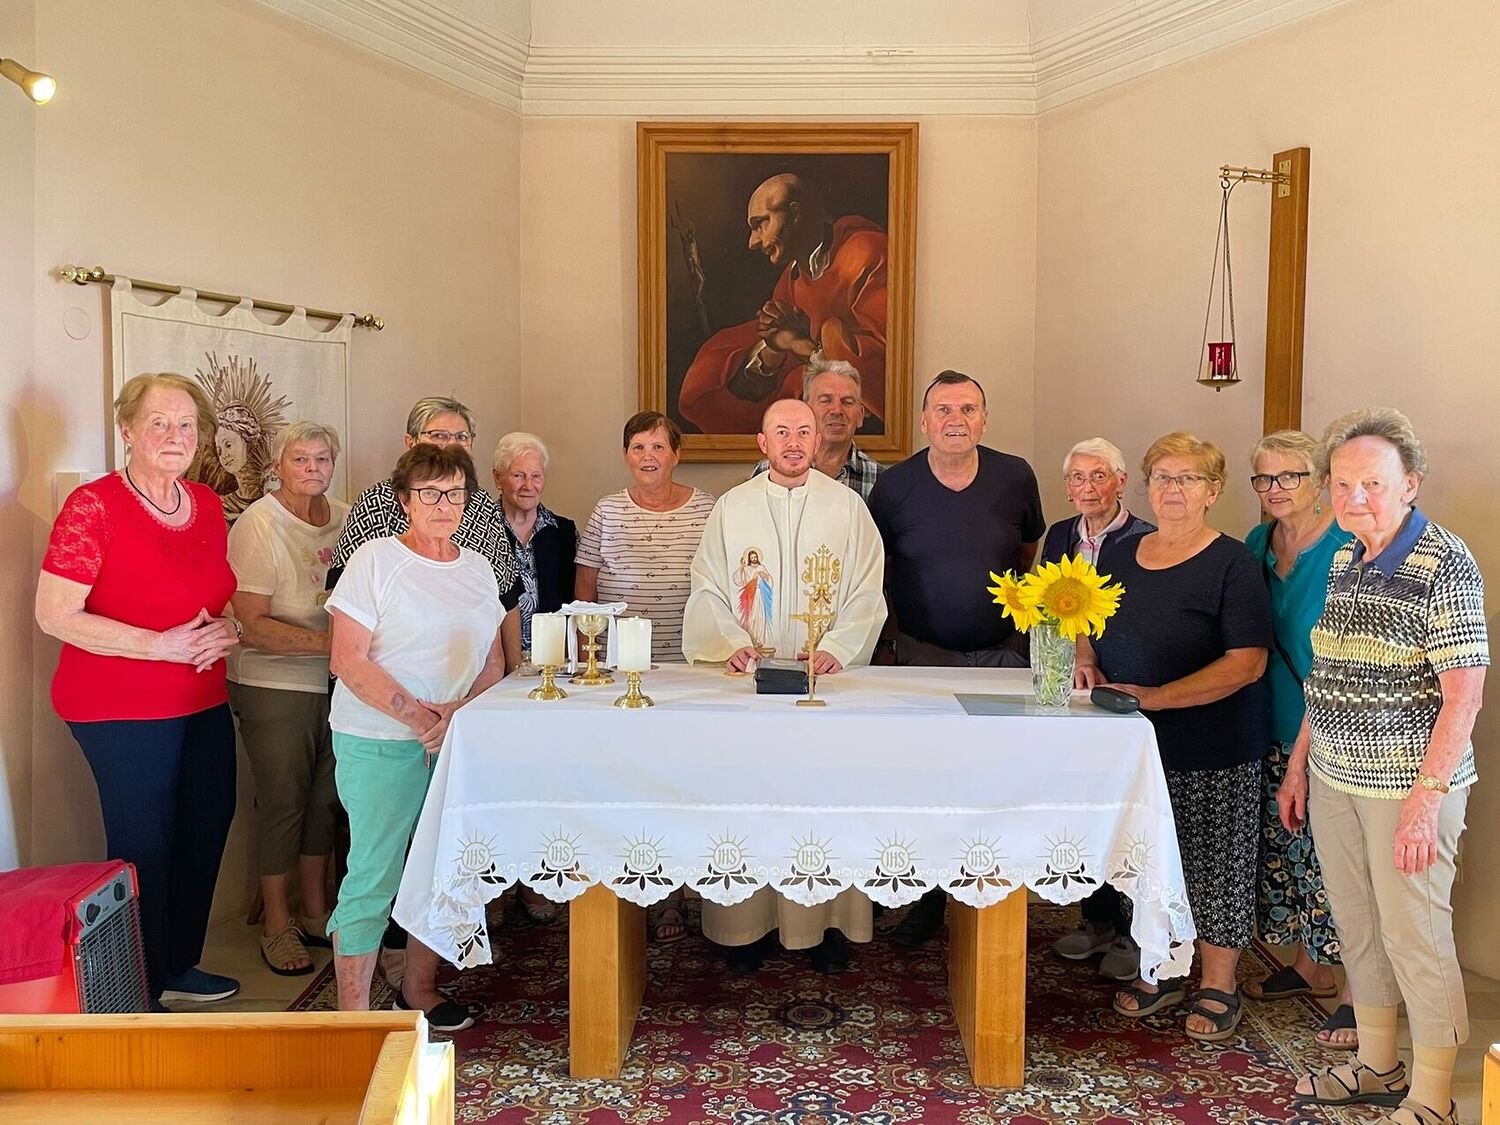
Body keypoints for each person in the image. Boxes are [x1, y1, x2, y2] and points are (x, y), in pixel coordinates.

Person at [1285, 410, 1486, 1125]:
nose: (1355, 497)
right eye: (1342, 484)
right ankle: (1376, 1065)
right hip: (1335, 775)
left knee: (1415, 933)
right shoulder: (1346, 556)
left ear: (1410, 484)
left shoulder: (1445, 562)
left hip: (1407, 786)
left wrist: (1426, 803)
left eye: (1373, 482)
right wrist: (1299, 765)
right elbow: (1326, 673)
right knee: (1358, 923)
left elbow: (1464, 695)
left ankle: (1434, 1096)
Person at [35, 372, 242, 1007]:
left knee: (208, 822)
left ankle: (177, 963)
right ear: (127, 430)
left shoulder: (205, 503)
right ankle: (136, 989)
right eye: (159, 422)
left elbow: (217, 597)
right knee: (144, 843)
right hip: (117, 706)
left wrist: (229, 629)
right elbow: (55, 614)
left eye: (187, 424)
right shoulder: (92, 507)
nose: (175, 435)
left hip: (201, 698)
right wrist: (160, 646)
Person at [1076, 431, 1271, 1043]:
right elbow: (1086, 618)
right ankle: (1159, 968)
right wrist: (1085, 658)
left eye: (1188, 478)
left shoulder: (1232, 563)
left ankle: (1218, 983)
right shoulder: (1119, 554)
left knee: (1213, 864)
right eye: (1162, 477)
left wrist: (1156, 696)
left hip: (1214, 743)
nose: (1173, 489)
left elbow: (1247, 663)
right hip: (1134, 745)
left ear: (1213, 491)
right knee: (1146, 861)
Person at [683, 398, 887, 972]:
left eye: (803, 431)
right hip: (751, 685)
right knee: (747, 798)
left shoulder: (848, 508)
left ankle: (824, 926)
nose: (794, 442)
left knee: (824, 801)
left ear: (818, 440)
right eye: (782, 432)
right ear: (762, 442)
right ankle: (744, 929)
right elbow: (707, 587)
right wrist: (730, 640)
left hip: (824, 686)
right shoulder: (732, 507)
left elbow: (868, 589)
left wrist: (838, 646)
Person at [329, 395, 522, 987]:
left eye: (455, 495)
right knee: (375, 875)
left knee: (441, 872)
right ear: (406, 499)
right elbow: (347, 659)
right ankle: (353, 1021)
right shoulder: (375, 560)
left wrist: (456, 714)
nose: (444, 506)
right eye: (430, 494)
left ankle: (419, 990)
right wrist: (420, 719)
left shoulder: (478, 567)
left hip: (451, 742)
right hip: (380, 741)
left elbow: (491, 660)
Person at [866, 370, 1045, 948]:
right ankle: (926, 900)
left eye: (968, 408)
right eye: (943, 409)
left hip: (1001, 658)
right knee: (926, 783)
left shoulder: (1015, 476)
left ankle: (993, 902)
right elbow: (878, 570)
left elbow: (1026, 553)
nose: (956, 420)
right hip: (922, 658)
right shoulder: (895, 487)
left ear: (984, 419)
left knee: (998, 781)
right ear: (924, 421)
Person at [1240, 431, 1356, 1047]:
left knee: (1337, 859)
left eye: (1290, 476)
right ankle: (1312, 967)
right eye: (1264, 478)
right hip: (1273, 718)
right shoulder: (1258, 543)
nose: (1276, 488)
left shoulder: (1347, 545)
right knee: (1292, 852)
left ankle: (1358, 995)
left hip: (1335, 727)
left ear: (1320, 482)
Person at [226, 421, 350, 976]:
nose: (313, 468)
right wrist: (335, 645)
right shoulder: (259, 524)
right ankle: (277, 923)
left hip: (338, 681)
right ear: (278, 466)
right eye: (300, 459)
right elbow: (250, 623)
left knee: (326, 800)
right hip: (273, 681)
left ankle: (316, 912)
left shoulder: (346, 516)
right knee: (283, 801)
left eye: (322, 459)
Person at [1044, 437, 1153, 980]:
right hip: (1072, 681)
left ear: (1121, 482)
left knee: (1125, 805)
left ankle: (1135, 932)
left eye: (1098, 476)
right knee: (1083, 799)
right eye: (1077, 478)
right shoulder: (1060, 535)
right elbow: (1048, 600)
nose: (1087, 488)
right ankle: (1098, 920)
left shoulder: (1145, 538)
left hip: (1123, 681)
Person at [678, 173, 887, 433]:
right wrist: (777, 345)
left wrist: (804, 346)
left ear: (795, 213)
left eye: (760, 224)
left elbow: (881, 374)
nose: (752, 242)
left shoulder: (867, 252)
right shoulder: (792, 277)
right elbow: (776, 360)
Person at [575, 411, 716, 664]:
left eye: (658, 447)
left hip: (689, 661)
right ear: (626, 455)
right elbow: (585, 591)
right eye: (638, 447)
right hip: (615, 660)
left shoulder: (707, 509)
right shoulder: (606, 510)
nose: (647, 456)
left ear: (676, 455)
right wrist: (586, 660)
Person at [492, 431, 577, 656]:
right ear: (498, 478)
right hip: (495, 664)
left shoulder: (564, 533)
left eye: (536, 476)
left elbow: (574, 604)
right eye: (518, 475)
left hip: (555, 661)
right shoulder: (483, 531)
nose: (528, 485)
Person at [750, 358, 883, 500]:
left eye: (847, 402)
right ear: (805, 411)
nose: (837, 410)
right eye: (825, 400)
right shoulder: (768, 470)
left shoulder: (879, 479)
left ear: (860, 416)